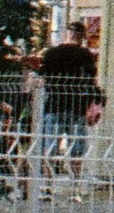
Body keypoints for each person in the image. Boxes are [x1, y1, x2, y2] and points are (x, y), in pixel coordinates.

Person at [33, 22, 102, 167]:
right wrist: (97, 100)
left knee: (50, 149)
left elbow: (42, 74)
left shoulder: (51, 53)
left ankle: (47, 184)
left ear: (67, 33)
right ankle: (76, 183)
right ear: (82, 36)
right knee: (76, 150)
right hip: (77, 107)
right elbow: (91, 80)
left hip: (54, 104)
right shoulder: (85, 55)